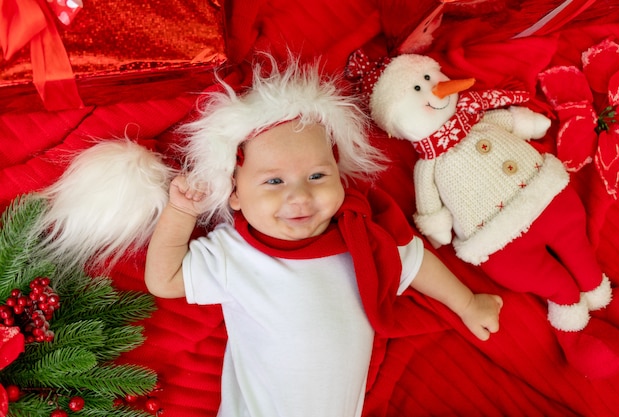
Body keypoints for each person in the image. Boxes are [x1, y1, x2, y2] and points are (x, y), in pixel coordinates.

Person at [144, 57, 503, 417]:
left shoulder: (360, 238)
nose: (299, 196)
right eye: (273, 181)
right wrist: (182, 212)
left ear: (339, 176)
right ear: (234, 193)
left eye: (317, 176)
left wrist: (467, 304)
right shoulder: (235, 253)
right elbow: (165, 279)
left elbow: (416, 261)